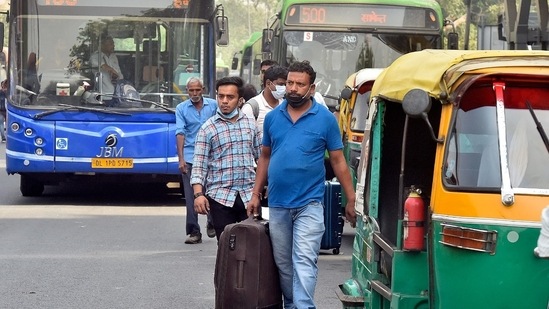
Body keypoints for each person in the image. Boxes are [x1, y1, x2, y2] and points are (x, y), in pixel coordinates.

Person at [247, 60, 357, 309]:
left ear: (312, 87)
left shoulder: (325, 119)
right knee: (284, 264)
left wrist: (351, 199)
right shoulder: (273, 118)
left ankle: (304, 306)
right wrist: (255, 194)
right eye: (289, 83)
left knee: (304, 260)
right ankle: (291, 305)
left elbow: (339, 162)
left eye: (299, 84)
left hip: (310, 203)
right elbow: (265, 156)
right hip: (277, 203)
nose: (293, 88)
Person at [191, 76, 260, 240]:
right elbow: (199, 166)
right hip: (220, 198)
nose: (224, 101)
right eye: (221, 96)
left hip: (248, 196)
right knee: (226, 247)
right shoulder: (208, 128)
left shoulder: (251, 124)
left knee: (251, 246)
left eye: (230, 97)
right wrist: (198, 195)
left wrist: (265, 187)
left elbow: (261, 159)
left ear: (240, 100)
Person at [176, 77, 217, 244]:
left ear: (203, 89)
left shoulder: (213, 105)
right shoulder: (181, 108)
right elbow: (180, 133)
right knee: (191, 195)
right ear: (187, 91)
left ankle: (212, 222)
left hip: (211, 156)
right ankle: (193, 231)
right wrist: (181, 159)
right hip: (191, 156)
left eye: (197, 90)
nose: (194, 93)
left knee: (212, 193)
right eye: (191, 90)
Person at [241, 65, 288, 135]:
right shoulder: (251, 107)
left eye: (285, 84)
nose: (284, 88)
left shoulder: (286, 105)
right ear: (268, 83)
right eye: (280, 84)